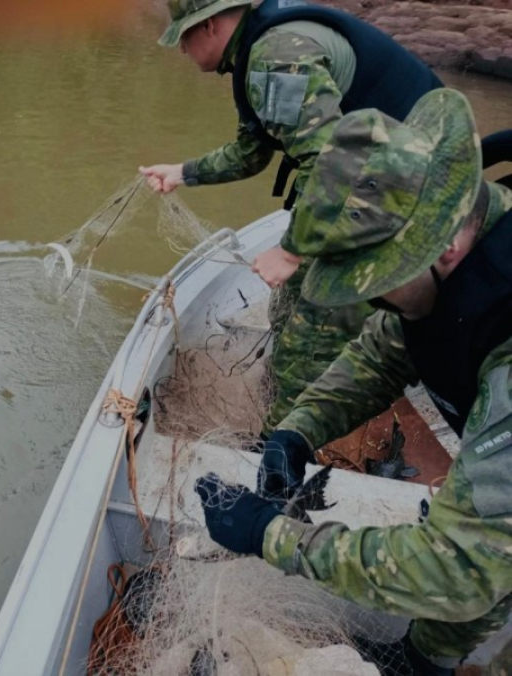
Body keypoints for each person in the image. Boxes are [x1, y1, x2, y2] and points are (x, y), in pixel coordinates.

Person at [195, 88, 512, 674]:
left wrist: (271, 536)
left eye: (374, 279)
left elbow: (459, 570)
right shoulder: (461, 265)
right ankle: (426, 660)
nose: (366, 298)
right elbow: (387, 350)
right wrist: (294, 433)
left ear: (443, 246)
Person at [140, 0, 442, 437]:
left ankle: (282, 453)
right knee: (288, 309)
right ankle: (287, 398)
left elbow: (326, 159)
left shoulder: (276, 54)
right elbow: (251, 152)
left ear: (207, 26)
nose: (182, 51)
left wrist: (291, 250)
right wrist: (182, 173)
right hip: (367, 188)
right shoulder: (258, 51)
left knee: (310, 345)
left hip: (392, 198)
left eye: (183, 37)